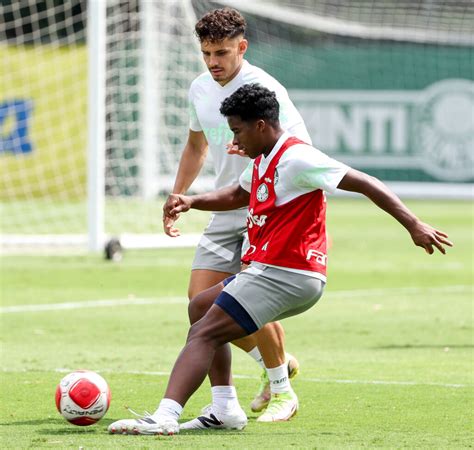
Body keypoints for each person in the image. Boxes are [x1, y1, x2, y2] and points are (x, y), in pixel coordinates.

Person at [109, 84, 452, 435]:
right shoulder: (263, 158)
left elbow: (365, 181)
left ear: (261, 125)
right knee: (199, 307)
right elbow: (239, 193)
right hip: (270, 270)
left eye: (238, 131)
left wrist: (413, 224)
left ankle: (165, 417)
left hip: (288, 273)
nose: (235, 141)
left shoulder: (298, 158)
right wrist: (193, 201)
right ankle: (225, 410)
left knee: (204, 333)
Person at [163, 7, 311, 421]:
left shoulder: (265, 90)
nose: (213, 62)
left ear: (242, 48)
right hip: (225, 206)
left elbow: (296, 148)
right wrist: (179, 195)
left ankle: (282, 390)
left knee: (243, 298)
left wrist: (260, 156)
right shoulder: (199, 88)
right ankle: (260, 378)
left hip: (263, 210)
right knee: (200, 302)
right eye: (207, 53)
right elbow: (196, 147)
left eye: (222, 53)